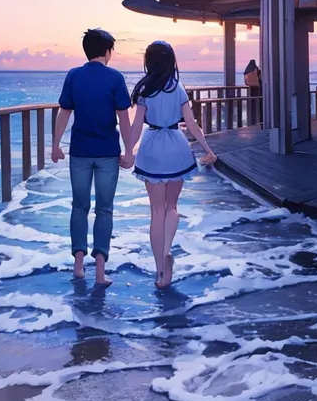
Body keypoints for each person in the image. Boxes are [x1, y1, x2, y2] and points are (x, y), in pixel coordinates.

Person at [126, 41, 217, 289]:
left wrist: (127, 152)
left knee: (156, 212)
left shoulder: (145, 90)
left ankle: (159, 271)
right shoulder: (178, 88)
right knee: (172, 207)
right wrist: (209, 150)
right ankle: (167, 250)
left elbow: (136, 127)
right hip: (176, 146)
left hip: (152, 148)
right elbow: (192, 123)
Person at [51, 28, 133, 286]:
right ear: (107, 51)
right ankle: (100, 272)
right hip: (108, 152)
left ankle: (78, 266)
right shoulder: (115, 78)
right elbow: (124, 117)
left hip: (80, 151)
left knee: (79, 206)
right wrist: (129, 150)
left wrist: (55, 145)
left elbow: (64, 112)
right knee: (105, 209)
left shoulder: (74, 75)